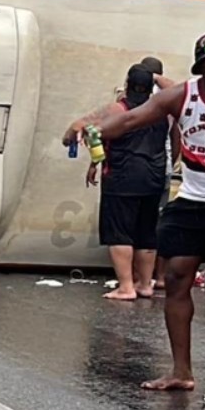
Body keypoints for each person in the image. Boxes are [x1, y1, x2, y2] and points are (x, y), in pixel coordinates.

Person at [99, 32, 205, 392]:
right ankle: (181, 372)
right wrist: (91, 130)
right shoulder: (183, 95)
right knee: (176, 278)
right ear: (201, 68)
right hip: (193, 202)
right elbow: (130, 119)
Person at [65, 64, 166, 301]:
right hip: (154, 176)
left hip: (122, 177)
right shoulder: (162, 111)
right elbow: (176, 140)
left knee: (119, 233)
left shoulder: (117, 108)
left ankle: (126, 287)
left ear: (128, 84)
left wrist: (70, 140)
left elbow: (82, 127)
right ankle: (145, 285)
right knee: (146, 233)